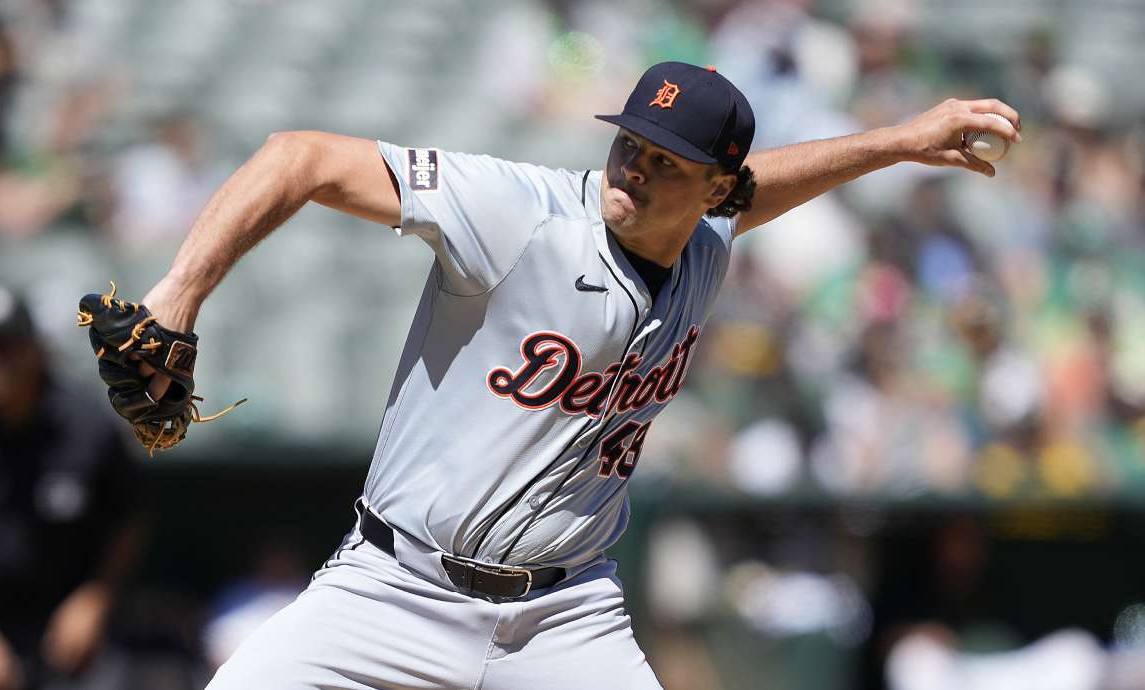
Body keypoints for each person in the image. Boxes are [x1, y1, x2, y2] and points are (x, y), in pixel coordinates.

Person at [134, 62, 1020, 689]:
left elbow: (768, 184)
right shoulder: (520, 214)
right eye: (631, 142)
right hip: (394, 590)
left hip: (564, 617)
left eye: (665, 160)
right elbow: (300, 157)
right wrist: (178, 295)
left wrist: (901, 142)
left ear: (715, 190)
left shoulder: (709, 244)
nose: (634, 167)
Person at [0, 286, 143, 690]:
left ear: (35, 350)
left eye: (6, 347)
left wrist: (94, 599)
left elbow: (126, 520)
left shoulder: (86, 428)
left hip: (74, 639)